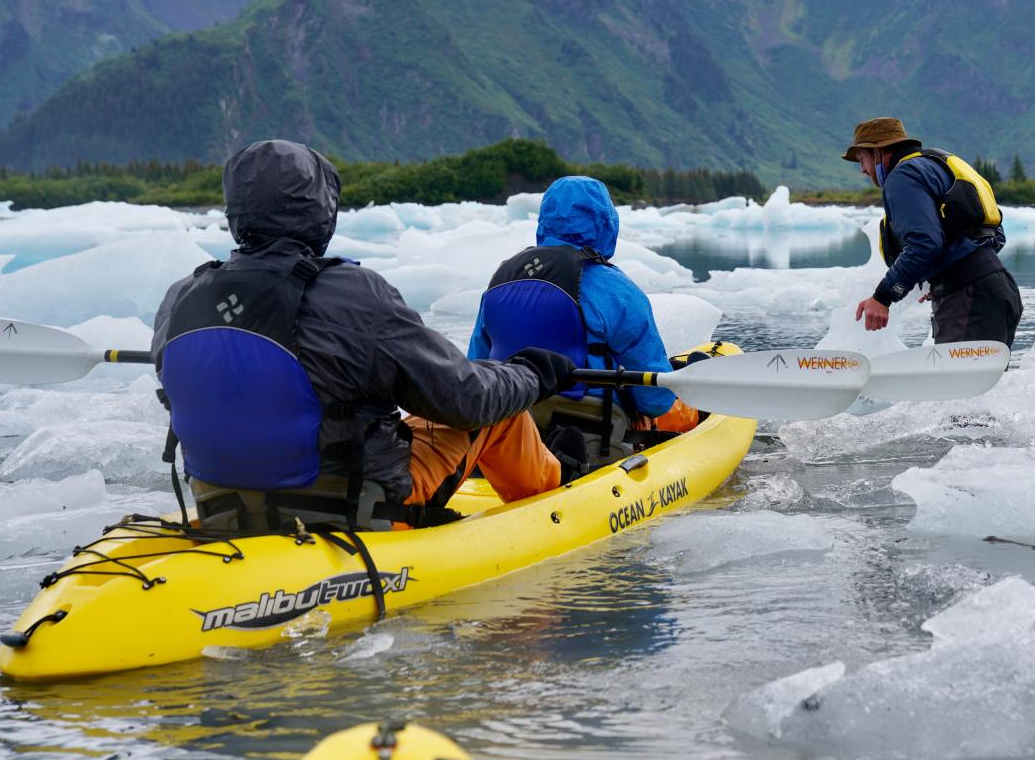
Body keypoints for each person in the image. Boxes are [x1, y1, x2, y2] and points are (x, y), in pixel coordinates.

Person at [150, 139, 582, 533]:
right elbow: (466, 400)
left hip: (223, 507)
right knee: (500, 411)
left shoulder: (181, 297)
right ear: (320, 208)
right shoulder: (354, 294)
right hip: (353, 508)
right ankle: (559, 498)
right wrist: (529, 375)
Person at [467, 175, 699, 457]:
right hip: (594, 429)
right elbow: (656, 399)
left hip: (512, 422)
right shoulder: (615, 288)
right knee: (677, 413)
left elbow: (474, 369)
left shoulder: (502, 279)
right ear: (605, 222)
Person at [843, 117, 1022, 346]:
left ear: (879, 153)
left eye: (862, 159)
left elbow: (924, 244)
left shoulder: (902, 176)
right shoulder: (932, 166)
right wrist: (941, 279)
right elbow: (993, 236)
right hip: (997, 288)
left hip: (968, 298)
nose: (862, 170)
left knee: (955, 381)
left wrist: (883, 297)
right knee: (976, 381)